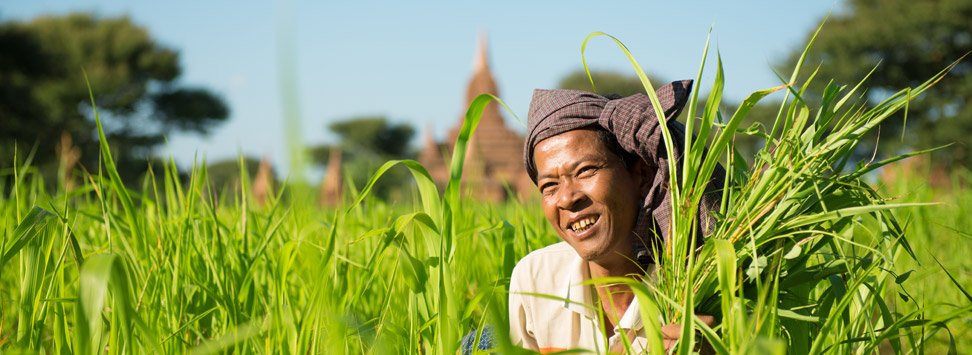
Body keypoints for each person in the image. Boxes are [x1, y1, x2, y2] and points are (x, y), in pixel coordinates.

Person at [508, 80, 723, 353]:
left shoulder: (700, 291)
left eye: (585, 170)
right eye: (550, 185)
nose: (567, 198)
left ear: (641, 175)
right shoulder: (535, 279)